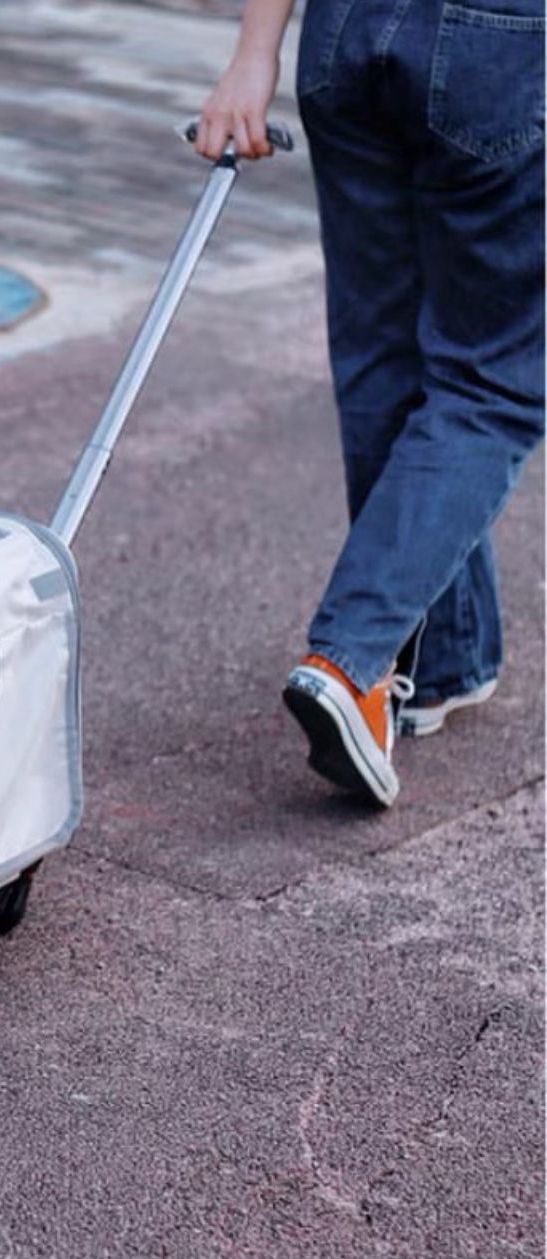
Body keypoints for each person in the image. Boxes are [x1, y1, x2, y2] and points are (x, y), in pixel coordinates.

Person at [196, 0, 545, 806]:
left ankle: (440, 664)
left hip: (347, 33)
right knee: (493, 388)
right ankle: (351, 659)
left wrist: (256, 52)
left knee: (386, 361)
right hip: (500, 40)